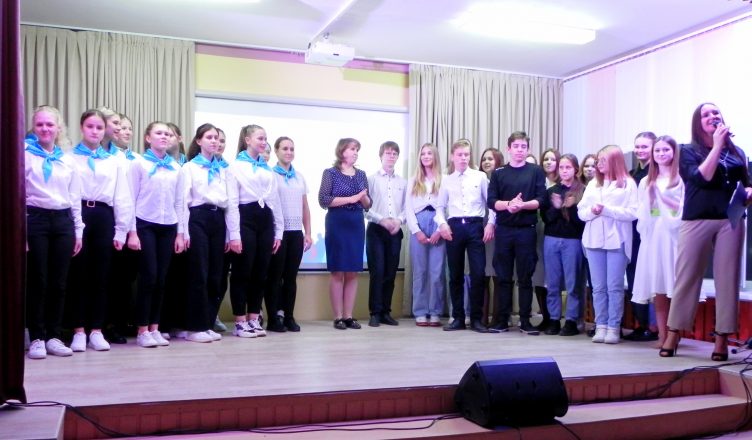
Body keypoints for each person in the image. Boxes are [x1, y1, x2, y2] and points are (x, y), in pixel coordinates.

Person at [662, 103, 752, 360]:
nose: (712, 116)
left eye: (715, 113)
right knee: (687, 276)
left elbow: (745, 183)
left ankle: (721, 339)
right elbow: (702, 178)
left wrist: (748, 192)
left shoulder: (737, 152)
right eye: (706, 114)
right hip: (697, 218)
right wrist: (716, 146)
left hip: (730, 220)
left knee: (728, 279)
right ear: (697, 122)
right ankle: (674, 332)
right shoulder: (687, 151)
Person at [67, 109, 133, 352]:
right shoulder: (69, 157)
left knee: (102, 276)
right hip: (78, 215)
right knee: (78, 276)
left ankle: (96, 330)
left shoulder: (115, 161)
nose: (94, 131)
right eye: (90, 126)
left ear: (105, 131)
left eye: (99, 127)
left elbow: (122, 196)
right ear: (81, 128)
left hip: (104, 216)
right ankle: (78, 331)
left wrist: (121, 230)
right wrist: (76, 227)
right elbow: (69, 193)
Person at [25, 105, 83, 359]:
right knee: (38, 280)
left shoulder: (67, 160)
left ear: (58, 128)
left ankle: (54, 335)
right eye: (40, 124)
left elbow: (74, 196)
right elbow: (18, 193)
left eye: (50, 124)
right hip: (35, 220)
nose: (45, 129)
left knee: (59, 282)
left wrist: (78, 230)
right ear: (33, 127)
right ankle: (37, 336)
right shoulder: (25, 155)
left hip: (63, 222)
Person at [177, 123, 241, 342]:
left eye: (216, 138)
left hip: (218, 219)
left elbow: (231, 203)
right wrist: (183, 231)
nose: (214, 141)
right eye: (209, 137)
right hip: (197, 218)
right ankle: (194, 327)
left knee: (216, 275)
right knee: (199, 273)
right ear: (199, 141)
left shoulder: (225, 169)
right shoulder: (189, 168)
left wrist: (233, 234)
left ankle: (207, 323)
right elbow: (183, 202)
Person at [127, 121, 184, 347]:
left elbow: (179, 202)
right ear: (148, 138)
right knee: (148, 276)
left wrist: (180, 233)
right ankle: (142, 329)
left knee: (161, 278)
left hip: (168, 225)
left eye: (167, 134)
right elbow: (130, 198)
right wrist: (132, 231)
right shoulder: (138, 164)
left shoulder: (176, 168)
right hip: (145, 224)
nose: (164, 136)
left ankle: (155, 327)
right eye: (159, 133)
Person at [487, 132, 546, 334]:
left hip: (526, 231)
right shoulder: (499, 173)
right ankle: (502, 320)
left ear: (528, 149)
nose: (520, 150)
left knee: (525, 278)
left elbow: (541, 199)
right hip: (504, 231)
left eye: (523, 146)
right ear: (509, 148)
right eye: (516, 146)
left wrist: (522, 205)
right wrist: (509, 205)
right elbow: (491, 201)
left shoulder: (536, 171)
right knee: (503, 277)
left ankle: (525, 321)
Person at [578, 145, 637, 344]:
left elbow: (633, 212)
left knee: (614, 287)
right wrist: (592, 212)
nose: (598, 164)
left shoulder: (628, 184)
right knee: (598, 287)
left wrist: (607, 210)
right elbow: (581, 212)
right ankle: (600, 325)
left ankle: (613, 327)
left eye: (603, 160)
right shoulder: (593, 184)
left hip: (617, 241)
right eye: (598, 161)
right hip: (593, 240)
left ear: (614, 161)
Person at [228, 124, 284, 338]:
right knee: (243, 271)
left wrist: (278, 232)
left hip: (265, 220)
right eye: (260, 138)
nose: (264, 142)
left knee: (261, 272)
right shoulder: (235, 166)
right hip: (245, 218)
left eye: (265, 138)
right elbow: (232, 203)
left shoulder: (267, 169)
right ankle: (240, 321)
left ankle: (254, 317)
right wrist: (234, 234)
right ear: (247, 140)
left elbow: (274, 201)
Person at [436, 139, 495, 333]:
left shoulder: (480, 177)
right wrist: (442, 224)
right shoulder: (446, 180)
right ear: (452, 157)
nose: (463, 158)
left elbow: (491, 203)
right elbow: (439, 207)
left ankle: (476, 319)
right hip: (454, 228)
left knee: (478, 273)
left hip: (475, 226)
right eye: (460, 154)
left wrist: (490, 223)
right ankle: (458, 318)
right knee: (455, 275)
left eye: (466, 154)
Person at [632, 135, 683, 348]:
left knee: (676, 287)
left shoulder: (681, 178)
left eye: (665, 150)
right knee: (658, 288)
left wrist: (662, 199)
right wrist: (651, 201)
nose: (661, 154)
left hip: (674, 236)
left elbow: (683, 208)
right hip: (653, 236)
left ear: (674, 152)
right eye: (658, 151)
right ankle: (662, 336)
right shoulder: (646, 181)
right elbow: (642, 211)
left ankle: (674, 333)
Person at [318, 138, 372, 330]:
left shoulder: (361, 174)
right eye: (352, 149)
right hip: (337, 223)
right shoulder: (330, 173)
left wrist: (363, 198)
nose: (356, 152)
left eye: (357, 149)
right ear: (342, 151)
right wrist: (352, 198)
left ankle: (348, 316)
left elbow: (368, 204)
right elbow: (324, 200)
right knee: (337, 270)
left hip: (356, 223)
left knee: (352, 271)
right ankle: (338, 317)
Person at [264, 136, 312, 332]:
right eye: (285, 148)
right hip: (278, 233)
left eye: (292, 149)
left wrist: (308, 232)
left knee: (291, 278)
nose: (289, 152)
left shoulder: (299, 177)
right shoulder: (270, 174)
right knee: (274, 277)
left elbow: (305, 206)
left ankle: (289, 316)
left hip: (295, 233)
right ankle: (274, 318)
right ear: (276, 151)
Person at [541, 153, 585, 336]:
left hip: (573, 240)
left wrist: (571, 207)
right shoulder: (552, 191)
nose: (564, 171)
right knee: (552, 283)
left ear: (576, 169)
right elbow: (546, 218)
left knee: (573, 283)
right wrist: (557, 207)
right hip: (552, 239)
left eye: (568, 167)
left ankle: (571, 320)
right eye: (561, 167)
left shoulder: (582, 191)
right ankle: (554, 319)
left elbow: (582, 222)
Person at [105, 113, 140, 344]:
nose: (124, 131)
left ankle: (120, 323)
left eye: (128, 128)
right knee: (106, 276)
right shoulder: (107, 156)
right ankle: (102, 324)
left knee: (125, 279)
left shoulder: (137, 159)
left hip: (132, 223)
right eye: (120, 126)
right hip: (110, 219)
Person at [366, 141, 406, 327]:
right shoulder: (371, 179)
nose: (391, 156)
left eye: (394, 153)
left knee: (390, 272)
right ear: (380, 155)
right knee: (377, 272)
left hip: (395, 231)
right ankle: (375, 312)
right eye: (388, 153)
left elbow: (407, 208)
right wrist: (382, 220)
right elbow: (365, 207)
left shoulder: (403, 182)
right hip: (376, 229)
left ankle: (385, 312)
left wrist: (398, 221)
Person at [624, 132, 659, 342]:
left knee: (653, 278)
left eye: (644, 146)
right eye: (637, 146)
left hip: (653, 233)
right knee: (634, 277)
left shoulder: (658, 174)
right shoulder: (630, 175)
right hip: (633, 233)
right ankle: (641, 323)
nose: (639, 150)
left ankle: (654, 326)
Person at [406, 143, 446, 327]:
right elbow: (408, 208)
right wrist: (417, 231)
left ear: (435, 156)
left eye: (429, 153)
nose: (426, 156)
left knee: (436, 272)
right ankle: (420, 311)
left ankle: (435, 311)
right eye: (423, 154)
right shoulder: (413, 180)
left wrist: (440, 230)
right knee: (420, 271)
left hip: (438, 222)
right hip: (419, 222)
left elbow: (447, 206)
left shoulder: (444, 180)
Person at [533, 148, 560, 331]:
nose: (548, 162)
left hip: (555, 232)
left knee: (553, 276)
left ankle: (555, 317)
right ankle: (545, 315)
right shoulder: (537, 181)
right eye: (545, 159)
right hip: (536, 230)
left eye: (552, 159)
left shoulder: (562, 184)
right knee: (538, 275)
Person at [479, 148, 504, 325]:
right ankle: (481, 318)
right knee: (482, 276)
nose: (486, 162)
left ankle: (497, 318)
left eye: (490, 159)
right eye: (484, 159)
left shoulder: (503, 179)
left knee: (497, 275)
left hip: (498, 230)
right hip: (479, 229)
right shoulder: (477, 179)